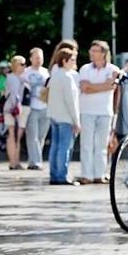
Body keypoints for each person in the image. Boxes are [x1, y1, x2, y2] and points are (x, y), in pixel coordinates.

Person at [75, 40, 121, 185]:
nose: (91, 53)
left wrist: (93, 87)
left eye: (95, 51)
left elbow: (113, 89)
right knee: (86, 144)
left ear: (103, 53)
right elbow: (84, 87)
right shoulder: (85, 69)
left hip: (105, 111)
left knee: (102, 145)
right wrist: (105, 86)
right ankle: (86, 175)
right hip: (87, 111)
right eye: (91, 50)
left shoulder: (113, 69)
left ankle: (99, 174)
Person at [46, 48, 80, 185]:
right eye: (72, 59)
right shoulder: (67, 77)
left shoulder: (55, 75)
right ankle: (62, 176)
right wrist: (76, 121)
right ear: (64, 60)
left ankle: (54, 175)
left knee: (55, 146)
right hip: (66, 117)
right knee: (64, 147)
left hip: (54, 115)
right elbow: (71, 102)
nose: (74, 62)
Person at [22, 48, 50, 170]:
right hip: (31, 107)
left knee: (41, 137)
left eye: (41, 57)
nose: (39, 60)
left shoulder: (46, 72)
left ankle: (33, 161)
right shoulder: (26, 72)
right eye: (37, 57)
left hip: (45, 107)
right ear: (31, 58)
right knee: (32, 136)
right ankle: (37, 162)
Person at [3, 55, 30, 170]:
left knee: (15, 135)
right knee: (14, 135)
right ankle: (14, 162)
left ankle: (15, 162)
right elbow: (15, 95)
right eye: (22, 64)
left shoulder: (20, 77)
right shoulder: (13, 77)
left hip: (14, 109)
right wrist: (17, 108)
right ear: (15, 65)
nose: (25, 66)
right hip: (14, 109)